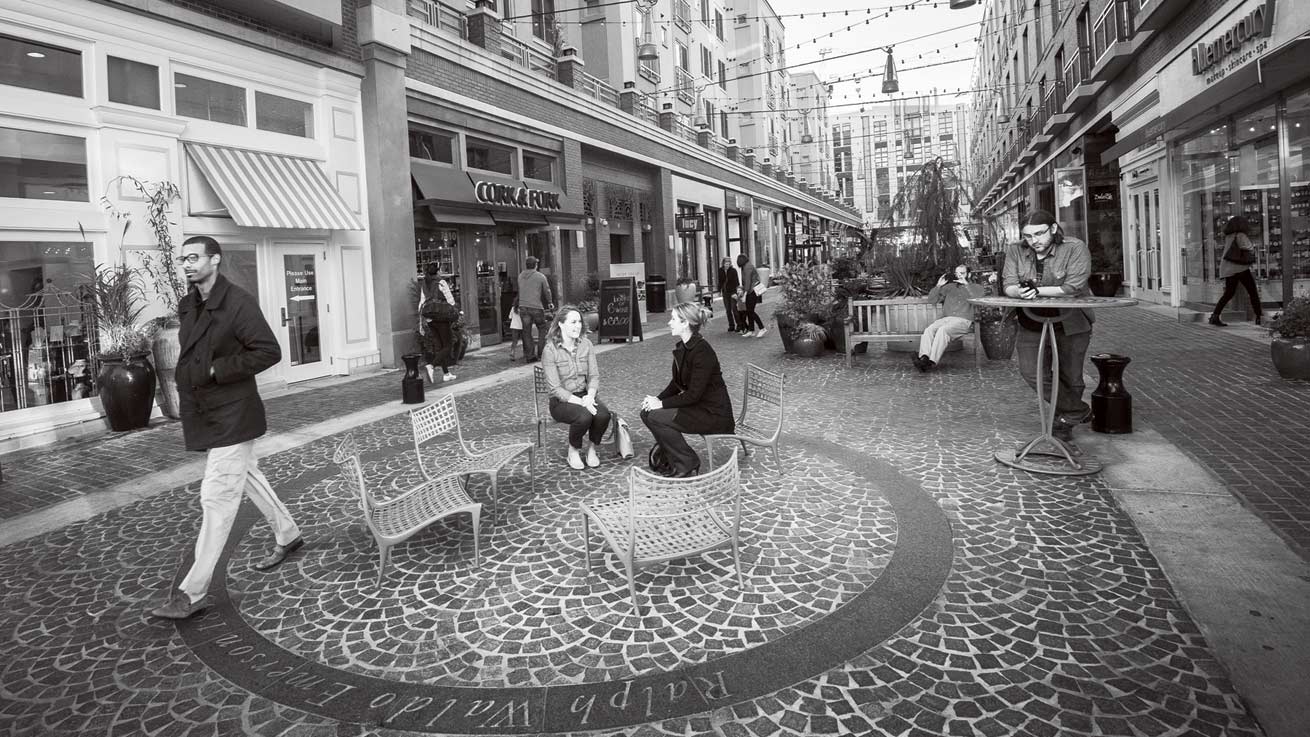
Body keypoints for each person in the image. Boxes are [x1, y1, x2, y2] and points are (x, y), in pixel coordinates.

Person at [149, 236, 302, 619]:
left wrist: (218, 370)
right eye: (182, 258)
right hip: (207, 410)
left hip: (234, 411)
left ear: (214, 260)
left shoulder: (238, 302)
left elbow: (268, 351)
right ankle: (288, 533)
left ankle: (194, 591)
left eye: (193, 257)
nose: (186, 263)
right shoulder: (189, 304)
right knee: (247, 477)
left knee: (217, 495)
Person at [1002, 210, 1094, 444]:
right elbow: (1009, 284)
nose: (1034, 241)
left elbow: (1073, 287)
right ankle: (1076, 410)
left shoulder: (1075, 247)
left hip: (1071, 322)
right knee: (1031, 372)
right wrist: (1018, 291)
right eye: (1028, 236)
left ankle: (1063, 422)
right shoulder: (1016, 250)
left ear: (1053, 229)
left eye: (1039, 234)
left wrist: (1036, 291)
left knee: (1071, 376)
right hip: (1031, 321)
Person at [640, 302, 735, 477]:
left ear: (685, 324)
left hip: (713, 415)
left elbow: (693, 395)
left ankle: (687, 462)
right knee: (646, 412)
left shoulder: (702, 352)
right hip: (699, 407)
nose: (669, 322)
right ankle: (671, 455)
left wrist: (661, 404)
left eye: (673, 319)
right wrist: (656, 399)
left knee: (656, 416)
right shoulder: (686, 346)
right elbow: (677, 383)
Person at [541, 307, 612, 470]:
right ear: (561, 324)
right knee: (584, 416)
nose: (578, 326)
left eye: (579, 321)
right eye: (573, 322)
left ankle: (592, 449)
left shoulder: (586, 344)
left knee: (603, 415)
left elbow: (594, 376)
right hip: (561, 401)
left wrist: (590, 396)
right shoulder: (550, 350)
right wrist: (581, 402)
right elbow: (555, 389)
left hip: (585, 395)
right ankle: (573, 450)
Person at [915, 264, 985, 372]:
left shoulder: (977, 288)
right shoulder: (949, 287)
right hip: (946, 319)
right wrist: (938, 286)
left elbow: (977, 299)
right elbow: (932, 300)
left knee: (943, 330)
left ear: (969, 274)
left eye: (962, 273)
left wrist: (966, 284)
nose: (959, 276)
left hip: (963, 320)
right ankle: (924, 357)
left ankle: (931, 362)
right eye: (957, 273)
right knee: (929, 330)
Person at [1210, 215, 1263, 327]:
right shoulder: (1241, 235)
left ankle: (1215, 316)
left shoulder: (1229, 236)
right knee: (1252, 292)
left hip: (1229, 269)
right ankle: (1259, 317)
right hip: (1240, 268)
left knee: (1228, 293)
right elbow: (1249, 248)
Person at [420, 262, 457, 384]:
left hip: (430, 319)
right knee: (448, 346)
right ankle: (431, 366)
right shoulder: (441, 282)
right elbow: (450, 300)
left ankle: (446, 374)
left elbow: (421, 303)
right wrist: (454, 311)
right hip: (441, 318)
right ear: (438, 271)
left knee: (440, 347)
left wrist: (421, 322)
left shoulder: (424, 283)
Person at [517, 256, 554, 363]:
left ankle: (530, 356)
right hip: (536, 307)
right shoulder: (540, 276)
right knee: (542, 328)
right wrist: (550, 302)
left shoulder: (520, 276)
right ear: (536, 265)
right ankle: (541, 353)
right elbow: (547, 291)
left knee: (526, 332)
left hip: (523, 307)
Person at [736, 254, 767, 338]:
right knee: (749, 311)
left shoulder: (747, 267)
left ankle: (762, 328)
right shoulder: (748, 266)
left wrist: (745, 294)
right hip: (751, 291)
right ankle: (751, 330)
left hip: (751, 291)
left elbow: (748, 281)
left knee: (750, 311)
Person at [718, 256, 741, 333]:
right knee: (728, 310)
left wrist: (736, 291)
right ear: (723, 264)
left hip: (732, 292)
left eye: (728, 264)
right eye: (726, 264)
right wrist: (719, 290)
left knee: (734, 308)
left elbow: (736, 281)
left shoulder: (733, 271)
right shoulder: (720, 270)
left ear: (730, 264)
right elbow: (720, 281)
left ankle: (739, 325)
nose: (727, 265)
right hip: (725, 292)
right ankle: (731, 325)